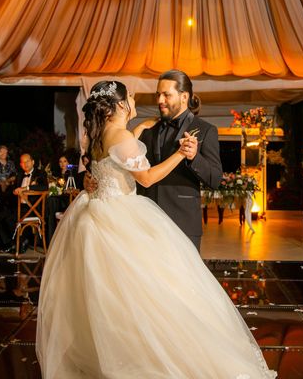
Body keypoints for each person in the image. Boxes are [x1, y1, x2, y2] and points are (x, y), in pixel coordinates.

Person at [37, 81, 276, 378]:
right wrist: (180, 154)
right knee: (154, 292)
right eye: (132, 97)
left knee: (110, 295)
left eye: (165, 94)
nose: (141, 99)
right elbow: (146, 177)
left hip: (97, 216)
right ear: (121, 105)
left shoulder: (99, 134)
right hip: (124, 217)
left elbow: (117, 153)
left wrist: (139, 128)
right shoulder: (121, 136)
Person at [135, 69, 223, 250]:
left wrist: (194, 158)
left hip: (183, 223)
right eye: (158, 95)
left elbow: (215, 179)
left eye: (166, 95)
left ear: (184, 97)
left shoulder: (206, 130)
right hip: (147, 222)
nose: (159, 100)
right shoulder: (149, 128)